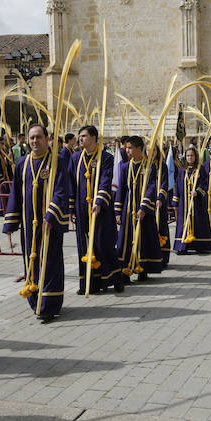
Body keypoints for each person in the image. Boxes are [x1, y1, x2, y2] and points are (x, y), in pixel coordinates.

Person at [4, 124, 70, 322]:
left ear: (47, 138)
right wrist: (11, 222)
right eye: (31, 138)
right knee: (31, 261)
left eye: (38, 137)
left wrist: (51, 215)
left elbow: (61, 190)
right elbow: (15, 193)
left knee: (49, 262)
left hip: (49, 223)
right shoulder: (22, 163)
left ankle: (49, 305)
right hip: (28, 225)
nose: (34, 141)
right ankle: (35, 300)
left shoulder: (56, 162)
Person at [67, 125, 122, 294]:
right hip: (82, 210)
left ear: (93, 138)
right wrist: (71, 208)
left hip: (101, 210)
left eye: (83, 136)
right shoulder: (75, 158)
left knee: (102, 244)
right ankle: (88, 284)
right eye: (79, 136)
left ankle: (115, 279)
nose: (80, 139)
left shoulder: (105, 158)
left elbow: (105, 180)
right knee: (84, 246)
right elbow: (71, 183)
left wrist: (98, 201)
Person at [115, 136, 162, 281]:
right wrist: (118, 211)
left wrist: (144, 207)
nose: (126, 150)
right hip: (128, 209)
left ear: (138, 149)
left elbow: (151, 187)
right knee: (126, 239)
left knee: (144, 237)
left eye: (129, 148)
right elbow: (121, 190)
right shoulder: (124, 167)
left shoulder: (149, 166)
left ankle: (143, 269)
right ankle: (125, 270)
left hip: (143, 210)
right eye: (126, 148)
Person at [173, 146, 211, 254]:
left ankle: (200, 245)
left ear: (195, 157)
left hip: (197, 203)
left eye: (191, 155)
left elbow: (205, 184)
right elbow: (177, 186)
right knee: (183, 223)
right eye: (187, 156)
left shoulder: (200, 169)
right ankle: (182, 246)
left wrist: (198, 191)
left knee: (198, 223)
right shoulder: (182, 170)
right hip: (184, 204)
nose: (189, 158)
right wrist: (175, 201)